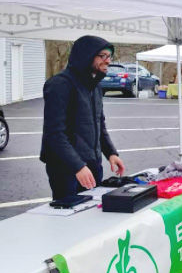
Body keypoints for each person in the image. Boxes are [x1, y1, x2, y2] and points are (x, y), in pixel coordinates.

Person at [40, 35, 125, 199]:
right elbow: (55, 133)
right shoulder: (60, 85)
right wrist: (77, 166)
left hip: (92, 164)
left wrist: (111, 153)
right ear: (86, 55)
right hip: (66, 168)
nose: (108, 61)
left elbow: (100, 125)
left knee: (92, 215)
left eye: (109, 56)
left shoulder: (95, 87)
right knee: (69, 218)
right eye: (103, 56)